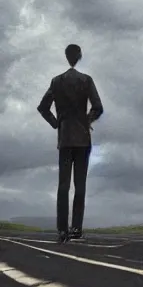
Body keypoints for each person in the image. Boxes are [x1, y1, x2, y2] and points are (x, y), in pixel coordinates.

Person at [37, 44, 104, 244]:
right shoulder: (86, 80)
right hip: (83, 138)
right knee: (80, 185)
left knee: (63, 185)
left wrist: (56, 123)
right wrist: (88, 120)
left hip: (65, 138)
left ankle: (62, 231)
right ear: (80, 56)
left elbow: (43, 107)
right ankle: (76, 228)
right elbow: (98, 107)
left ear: (66, 56)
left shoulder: (56, 81)